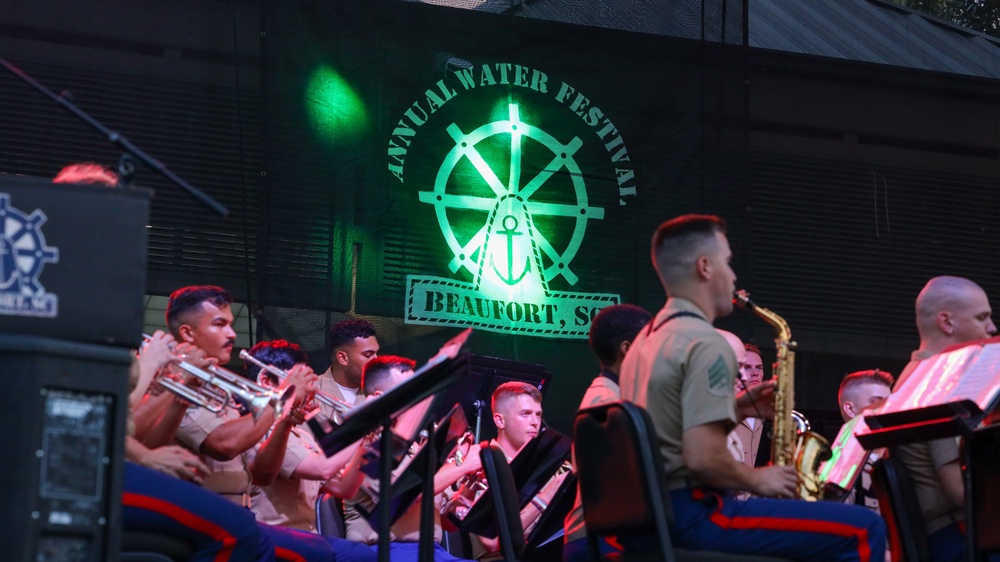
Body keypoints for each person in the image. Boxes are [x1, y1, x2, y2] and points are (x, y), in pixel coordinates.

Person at [618, 214, 886, 561]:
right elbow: (703, 457)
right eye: (728, 263)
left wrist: (739, 407)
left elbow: (672, 432)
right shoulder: (704, 343)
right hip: (695, 518)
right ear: (705, 267)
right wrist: (761, 480)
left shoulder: (647, 341)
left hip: (650, 521)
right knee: (866, 528)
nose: (733, 276)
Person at [54, 163, 274, 561]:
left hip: (108, 461)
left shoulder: (93, 299)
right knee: (238, 530)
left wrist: (146, 449)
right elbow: (83, 412)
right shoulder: (67, 302)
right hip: (85, 470)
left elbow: (113, 420)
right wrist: (155, 370)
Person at [892, 276, 998, 562]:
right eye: (982, 317)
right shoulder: (937, 386)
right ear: (946, 322)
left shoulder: (916, 377)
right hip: (962, 541)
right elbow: (963, 492)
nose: (992, 328)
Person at [243, 339, 377, 562]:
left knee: (361, 555)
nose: (309, 389)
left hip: (306, 538)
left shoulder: (304, 433)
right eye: (299, 381)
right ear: (267, 381)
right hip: (271, 538)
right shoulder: (264, 429)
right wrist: (362, 427)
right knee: (360, 555)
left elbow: (344, 488)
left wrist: (366, 444)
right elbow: (322, 469)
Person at [343, 355, 477, 562]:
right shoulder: (364, 442)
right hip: (384, 551)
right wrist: (461, 465)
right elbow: (402, 496)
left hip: (431, 551)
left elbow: (448, 521)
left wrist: (469, 486)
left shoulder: (415, 445)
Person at [562, 304, 652, 562]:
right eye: (652, 346)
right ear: (627, 350)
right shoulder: (605, 403)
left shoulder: (616, 396)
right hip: (598, 544)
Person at [731, 343, 766, 468]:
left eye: (758, 368)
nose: (755, 373)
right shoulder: (723, 412)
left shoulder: (770, 414)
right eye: (747, 367)